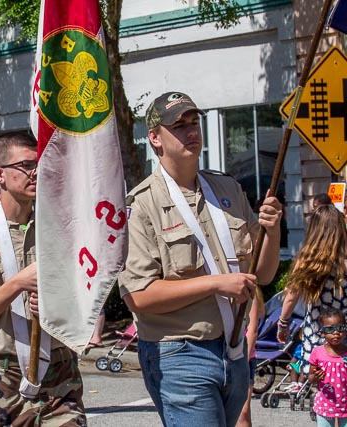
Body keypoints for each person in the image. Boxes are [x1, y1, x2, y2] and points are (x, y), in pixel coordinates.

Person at [119, 92, 282, 427]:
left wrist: (273, 229)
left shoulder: (227, 189)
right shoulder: (142, 205)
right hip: (181, 354)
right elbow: (138, 296)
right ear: (155, 137)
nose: (191, 131)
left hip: (233, 347)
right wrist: (215, 284)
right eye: (178, 125)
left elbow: (262, 275)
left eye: (194, 122)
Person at [0, 132, 86, 426]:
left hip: (59, 377)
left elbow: (87, 302)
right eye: (25, 165)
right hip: (0, 380)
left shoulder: (61, 228)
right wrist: (14, 286)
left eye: (38, 163)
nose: (35, 171)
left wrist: (59, 306)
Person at [277, 205, 347, 377]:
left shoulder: (307, 262)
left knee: (322, 384)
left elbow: (291, 297)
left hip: (317, 333)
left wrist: (283, 324)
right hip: (343, 332)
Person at [308, 308, 347, 426]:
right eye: (330, 329)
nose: (336, 333)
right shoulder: (317, 353)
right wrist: (315, 377)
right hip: (325, 404)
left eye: (340, 328)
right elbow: (310, 378)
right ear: (322, 333)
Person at [236, 289, 265, 427]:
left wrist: (243, 360)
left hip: (244, 357)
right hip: (225, 354)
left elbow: (252, 330)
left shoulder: (251, 295)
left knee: (243, 411)